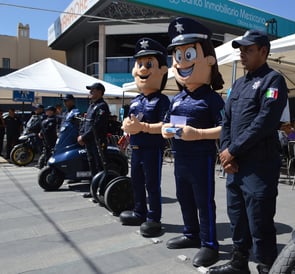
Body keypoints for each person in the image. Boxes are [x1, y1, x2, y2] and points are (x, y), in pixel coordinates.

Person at [211, 30, 288, 274]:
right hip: (234, 166)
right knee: (237, 217)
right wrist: (225, 152)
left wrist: (232, 150)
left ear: (263, 51)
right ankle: (238, 263)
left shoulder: (273, 81)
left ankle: (266, 267)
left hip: (259, 166)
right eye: (241, 49)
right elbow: (226, 121)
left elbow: (265, 122)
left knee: (260, 221)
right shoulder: (237, 85)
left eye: (248, 49)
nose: (242, 53)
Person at [161, 17, 225, 268]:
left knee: (203, 199)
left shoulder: (211, 99)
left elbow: (224, 129)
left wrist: (198, 134)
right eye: (178, 56)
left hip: (201, 156)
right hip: (180, 156)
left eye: (188, 54)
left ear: (208, 60)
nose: (182, 62)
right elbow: (166, 123)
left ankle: (209, 243)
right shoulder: (177, 98)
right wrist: (166, 130)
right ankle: (191, 233)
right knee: (183, 196)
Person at [118, 37, 170, 238]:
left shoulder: (162, 100)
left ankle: (154, 217)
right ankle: (139, 211)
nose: (142, 69)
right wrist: (126, 129)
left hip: (152, 149)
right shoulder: (135, 100)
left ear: (162, 70)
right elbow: (127, 122)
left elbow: (166, 126)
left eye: (148, 64)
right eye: (139, 64)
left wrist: (144, 127)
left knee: (152, 184)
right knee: (136, 182)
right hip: (136, 148)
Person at [77, 82, 110, 198]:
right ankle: (93, 190)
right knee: (92, 166)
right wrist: (81, 135)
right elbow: (86, 123)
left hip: (98, 142)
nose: (90, 92)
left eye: (93, 90)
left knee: (100, 166)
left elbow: (97, 126)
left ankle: (102, 192)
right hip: (90, 142)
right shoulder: (92, 106)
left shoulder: (102, 106)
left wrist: (84, 137)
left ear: (100, 92)